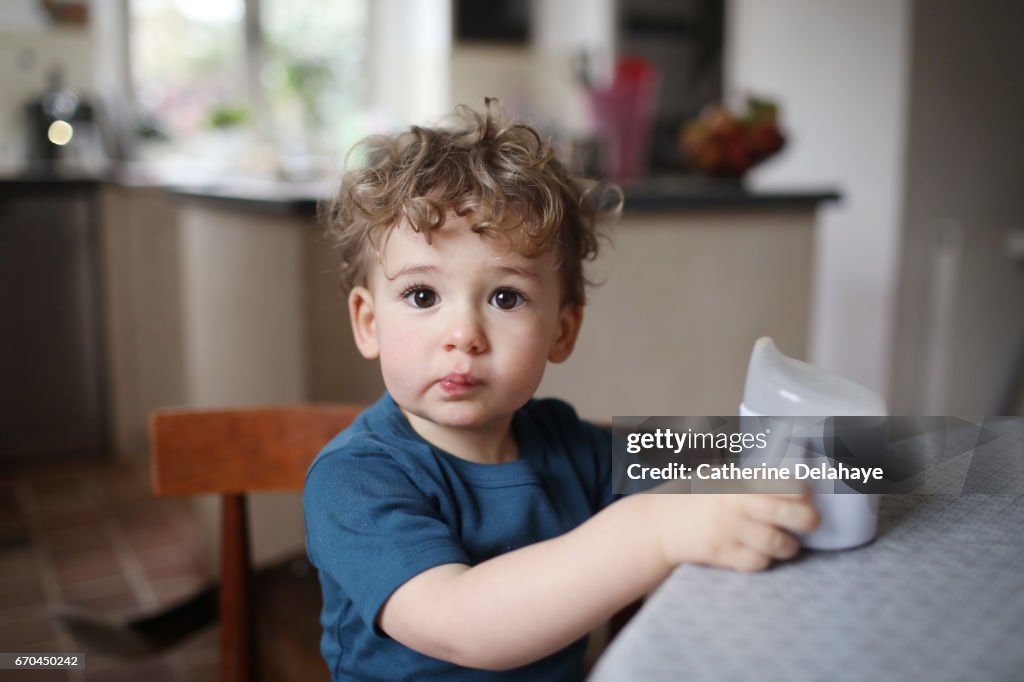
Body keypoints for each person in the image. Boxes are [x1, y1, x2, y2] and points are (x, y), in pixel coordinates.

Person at [303, 100, 819, 681]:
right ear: (369, 323)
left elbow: (685, 454)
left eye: (505, 298)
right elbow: (458, 621)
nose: (463, 336)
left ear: (562, 329)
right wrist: (652, 532)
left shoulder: (567, 443)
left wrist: (811, 455)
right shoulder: (353, 482)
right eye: (423, 296)